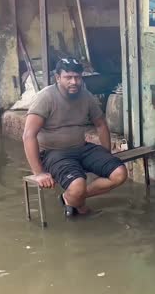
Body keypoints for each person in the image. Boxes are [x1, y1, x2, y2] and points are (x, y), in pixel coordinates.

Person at [22, 58, 128, 217]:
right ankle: (77, 201)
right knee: (77, 185)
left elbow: (100, 124)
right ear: (58, 78)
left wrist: (105, 154)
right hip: (53, 153)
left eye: (78, 77)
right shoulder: (46, 97)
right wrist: (39, 173)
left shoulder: (86, 96)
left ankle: (71, 199)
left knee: (120, 174)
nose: (74, 82)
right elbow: (29, 135)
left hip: (81, 148)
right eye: (68, 77)